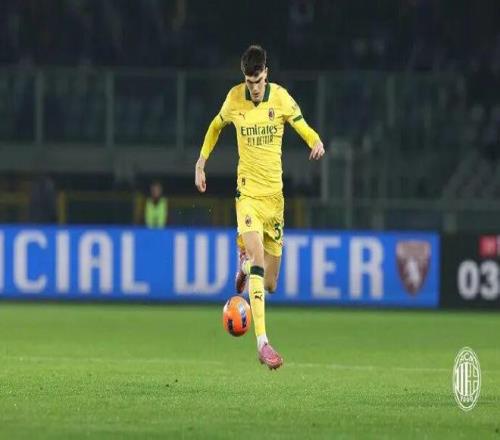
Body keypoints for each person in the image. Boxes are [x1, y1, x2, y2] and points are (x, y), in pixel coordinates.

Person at [194, 45, 325, 370]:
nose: (254, 88)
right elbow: (215, 126)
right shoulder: (234, 99)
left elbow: (301, 124)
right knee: (256, 260)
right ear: (245, 77)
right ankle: (263, 343)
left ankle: (243, 267)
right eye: (249, 82)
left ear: (266, 73)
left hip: (274, 200)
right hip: (248, 194)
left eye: (258, 80)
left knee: (269, 283)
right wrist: (201, 162)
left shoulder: (280, 98)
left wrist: (315, 140)